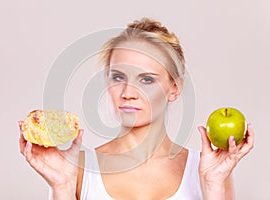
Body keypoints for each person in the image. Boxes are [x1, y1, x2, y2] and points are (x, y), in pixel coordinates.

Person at [19, 18, 254, 200]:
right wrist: (61, 187)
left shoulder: (207, 169)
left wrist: (213, 187)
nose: (127, 92)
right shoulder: (78, 169)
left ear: (174, 88)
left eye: (146, 79)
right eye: (118, 77)